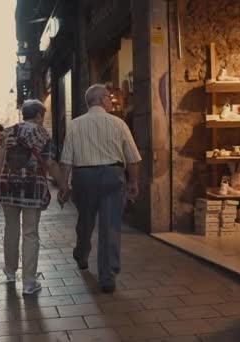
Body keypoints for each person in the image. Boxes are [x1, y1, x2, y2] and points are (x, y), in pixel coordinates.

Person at [60, 84, 141, 293]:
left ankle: (81, 254)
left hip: (83, 177)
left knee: (85, 220)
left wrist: (63, 186)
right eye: (109, 97)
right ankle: (107, 277)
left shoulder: (75, 125)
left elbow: (66, 160)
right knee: (110, 225)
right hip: (112, 176)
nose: (111, 100)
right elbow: (132, 157)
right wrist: (133, 182)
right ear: (102, 99)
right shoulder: (118, 123)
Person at [0, 100, 70, 295]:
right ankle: (29, 283)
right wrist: (64, 186)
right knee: (30, 233)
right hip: (31, 188)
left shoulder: (6, 133)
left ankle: (10, 273)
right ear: (38, 116)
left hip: (7, 186)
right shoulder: (42, 134)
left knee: (10, 229)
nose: (43, 120)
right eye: (42, 116)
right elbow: (51, 164)